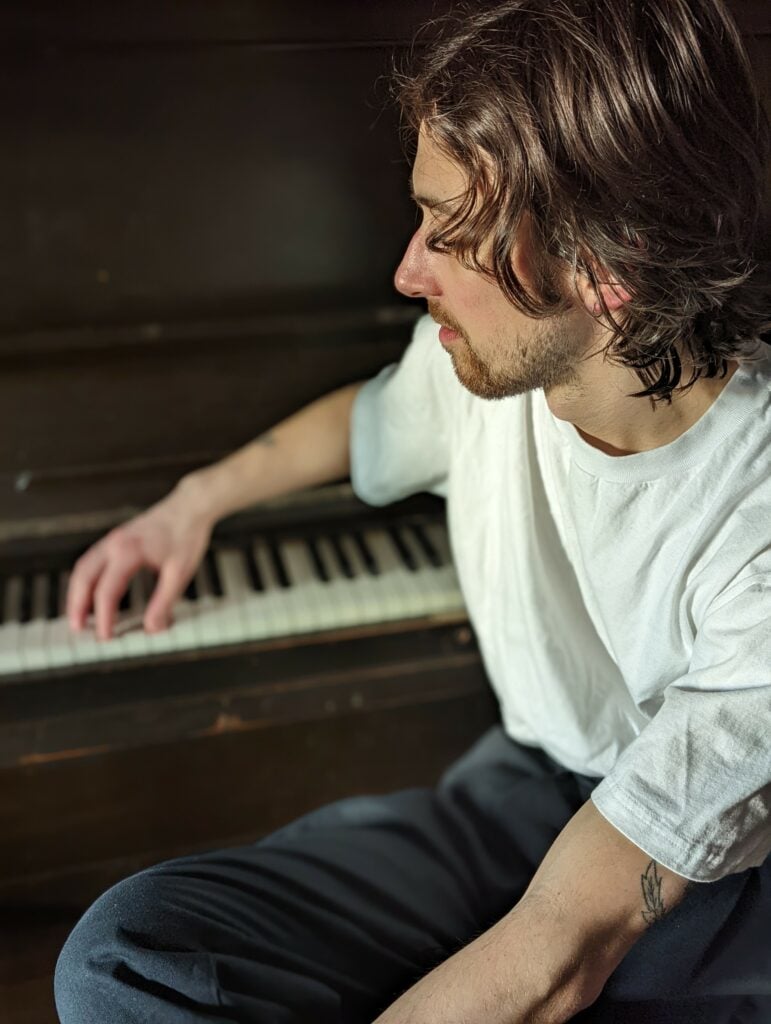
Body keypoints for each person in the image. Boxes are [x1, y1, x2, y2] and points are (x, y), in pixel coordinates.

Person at [55, 1, 771, 1021]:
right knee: (124, 957)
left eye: (448, 232)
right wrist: (191, 502)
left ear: (607, 271)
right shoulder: (492, 363)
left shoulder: (759, 522)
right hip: (522, 787)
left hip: (707, 873)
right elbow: (368, 424)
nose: (406, 271)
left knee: (590, 991)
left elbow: (558, 947)